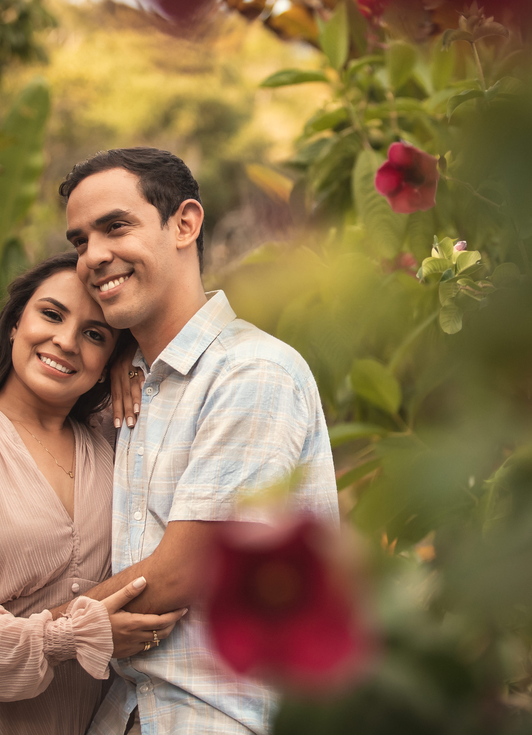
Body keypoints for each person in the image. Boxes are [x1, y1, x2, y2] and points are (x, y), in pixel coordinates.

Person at [60, 147, 340, 735]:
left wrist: (30, 636)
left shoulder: (252, 372)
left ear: (185, 223)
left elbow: (179, 573)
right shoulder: (131, 385)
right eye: (80, 241)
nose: (92, 257)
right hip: (127, 713)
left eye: (116, 227)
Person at [0, 253, 186, 735]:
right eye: (51, 314)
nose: (66, 342)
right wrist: (71, 638)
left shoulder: (115, 446)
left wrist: (133, 363)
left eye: (95, 335)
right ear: (14, 324)